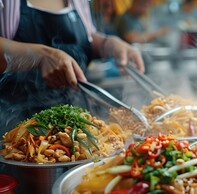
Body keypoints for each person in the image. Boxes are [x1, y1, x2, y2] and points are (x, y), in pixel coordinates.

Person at [0, 0, 145, 136]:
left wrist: (107, 43)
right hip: (14, 125)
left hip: (79, 124)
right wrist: (40, 56)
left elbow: (85, 39)